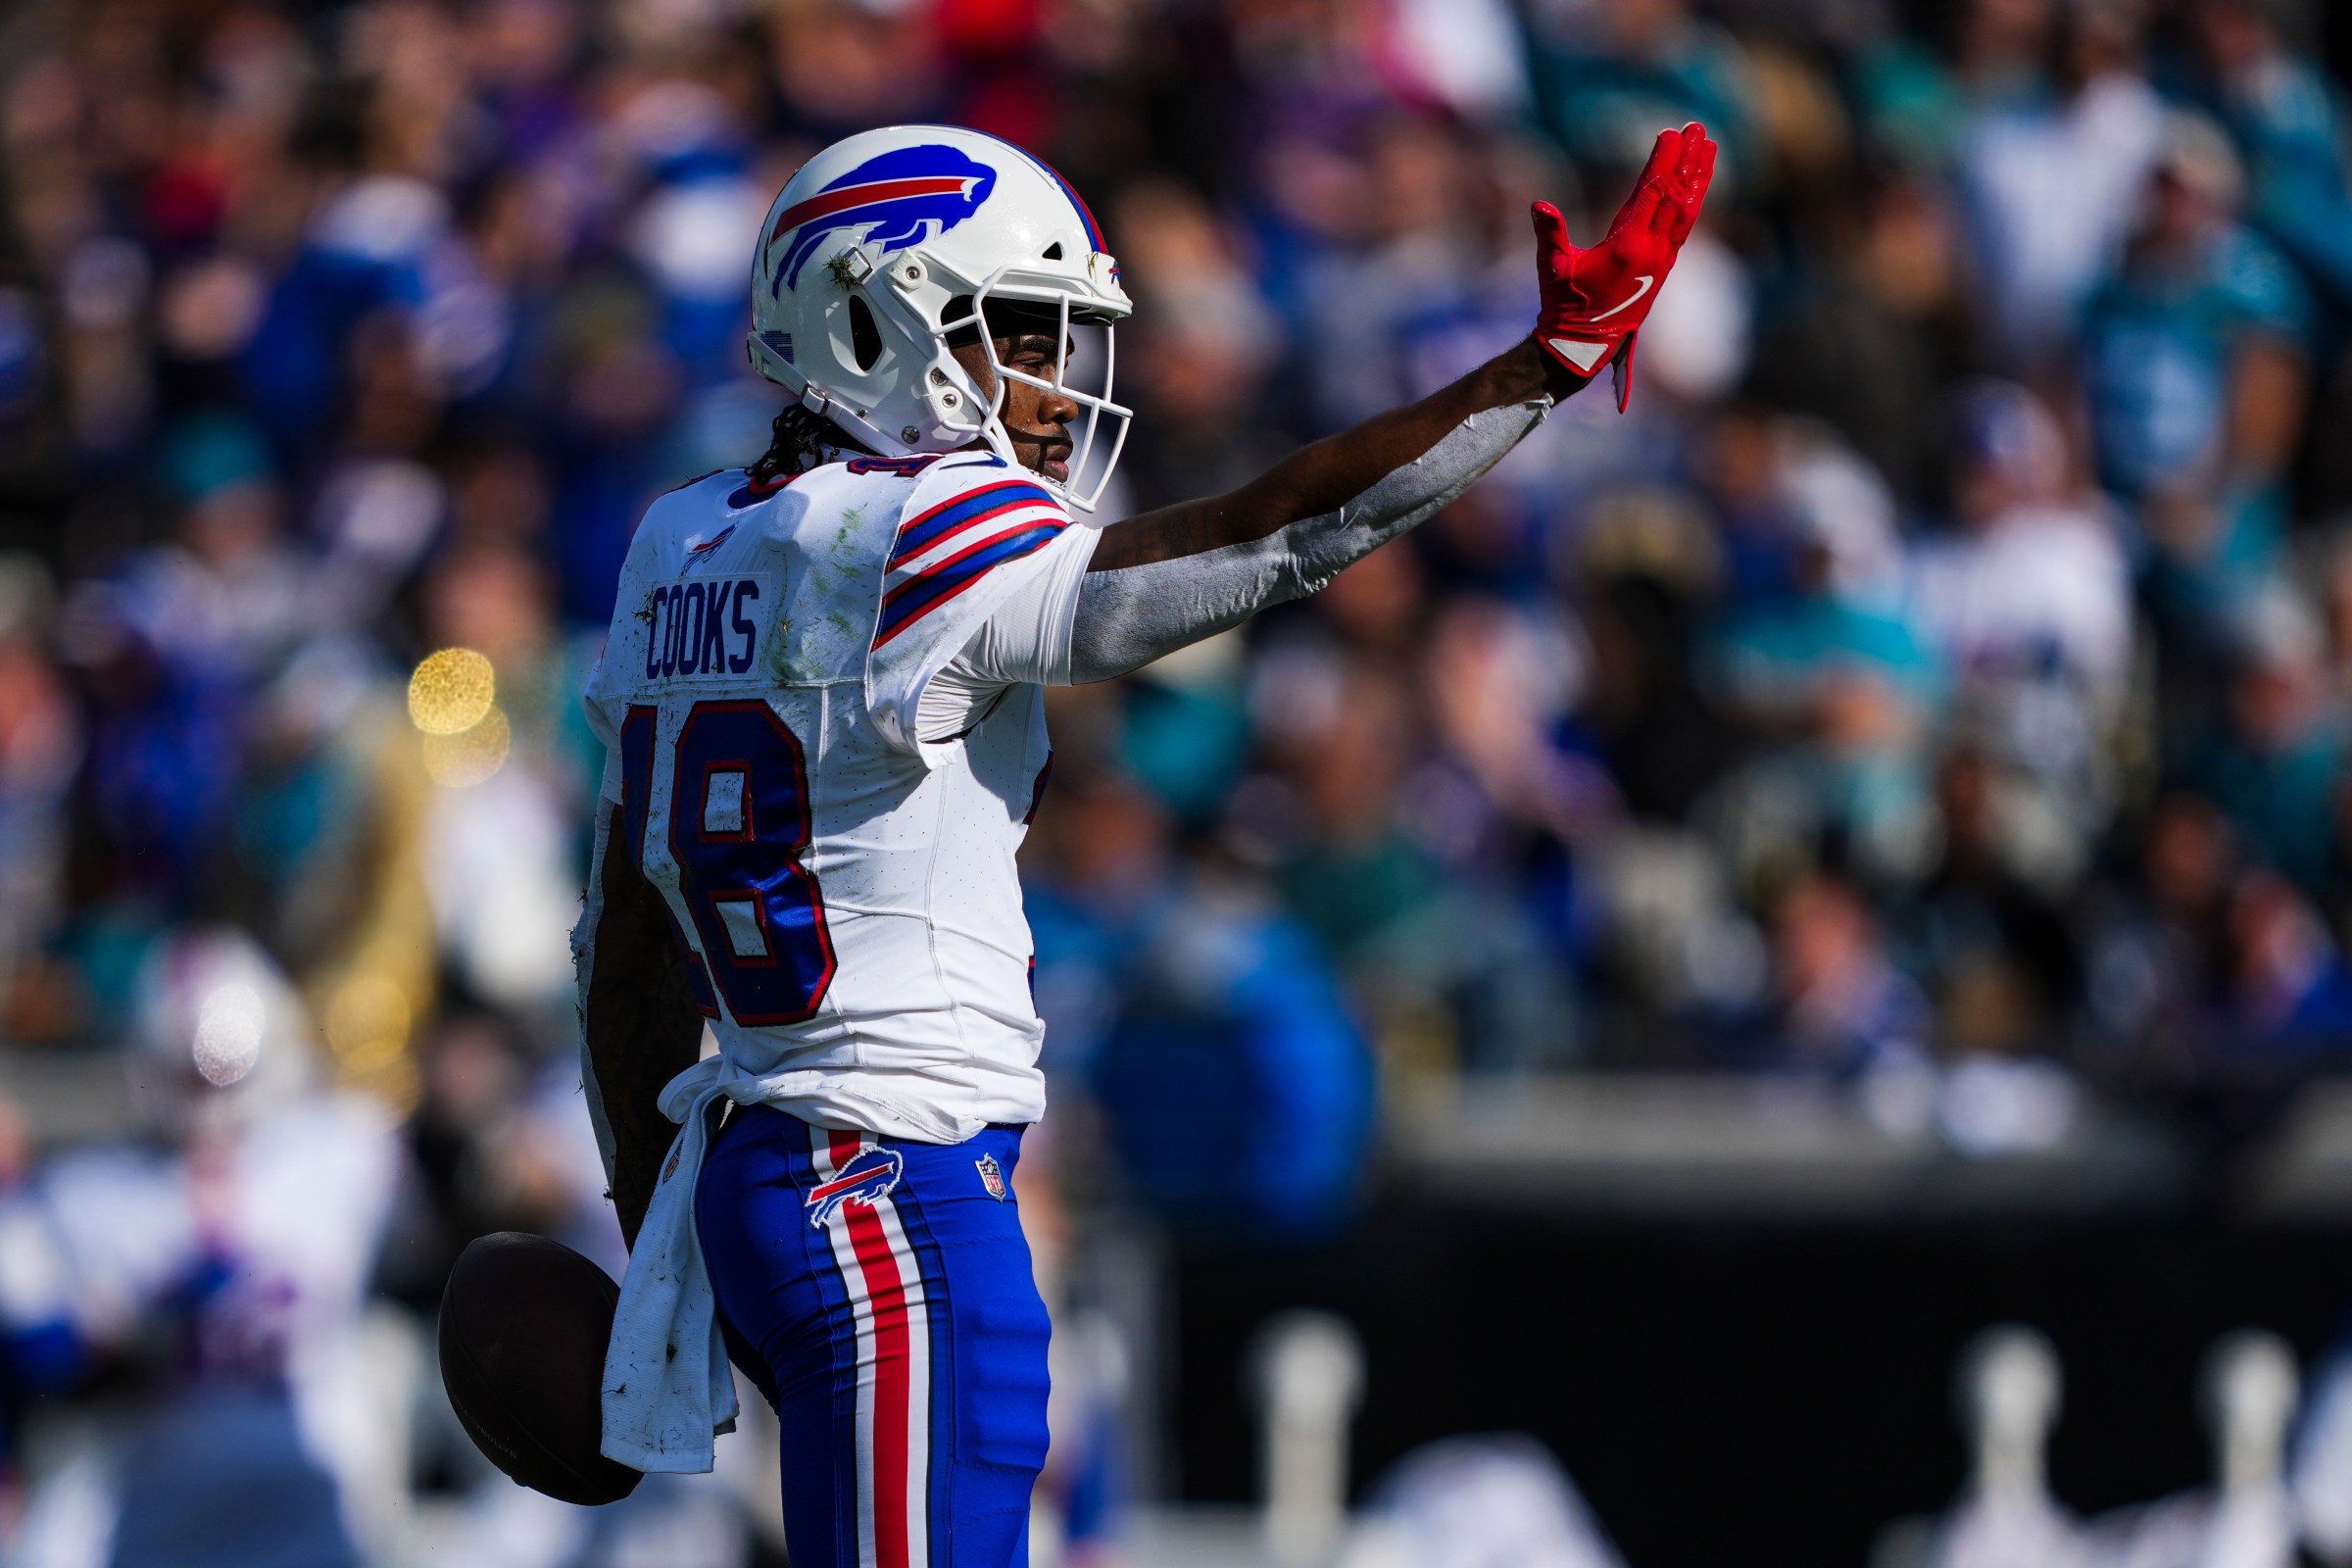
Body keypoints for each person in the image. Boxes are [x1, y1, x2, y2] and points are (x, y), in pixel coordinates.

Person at [573, 122, 1714, 1567]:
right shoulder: (915, 532)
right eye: (1021, 333)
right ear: (870, 319)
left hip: (756, 1172)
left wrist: (655, 1231)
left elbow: (623, 953)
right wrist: (1534, 370)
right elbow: (1271, 537)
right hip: (896, 1189)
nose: (1057, 390)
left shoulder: (675, 545)